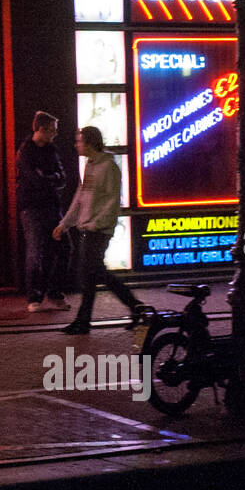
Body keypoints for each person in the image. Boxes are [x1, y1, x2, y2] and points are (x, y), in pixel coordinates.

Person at [53, 126, 147, 334]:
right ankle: (135, 307)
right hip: (89, 227)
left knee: (89, 275)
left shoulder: (108, 168)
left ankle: (84, 321)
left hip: (98, 230)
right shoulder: (91, 165)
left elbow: (112, 201)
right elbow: (81, 197)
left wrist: (95, 223)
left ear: (89, 143)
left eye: (79, 141)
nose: (76, 145)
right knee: (96, 275)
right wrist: (66, 223)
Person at [18, 111, 69, 313]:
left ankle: (51, 293)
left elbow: (61, 178)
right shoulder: (26, 151)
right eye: (52, 131)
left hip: (50, 206)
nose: (55, 135)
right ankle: (35, 296)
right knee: (35, 252)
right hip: (32, 208)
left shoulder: (50, 149)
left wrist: (47, 177)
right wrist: (52, 178)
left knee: (63, 248)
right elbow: (37, 179)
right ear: (41, 129)